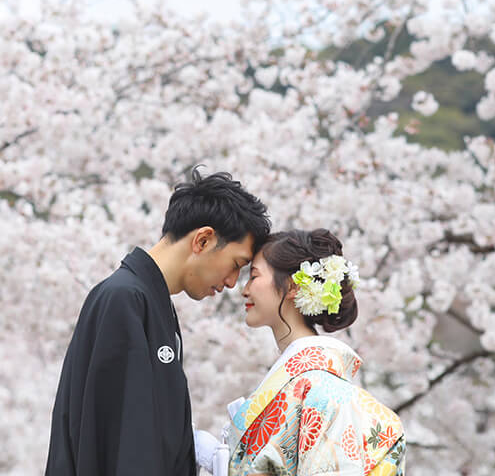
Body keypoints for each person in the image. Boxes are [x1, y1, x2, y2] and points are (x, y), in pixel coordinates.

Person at [45, 169, 271, 476]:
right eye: (236, 265)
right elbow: (126, 443)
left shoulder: (146, 300)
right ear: (203, 240)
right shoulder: (125, 298)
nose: (232, 283)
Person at [198, 229, 406, 476]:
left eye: (254, 276)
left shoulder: (322, 392)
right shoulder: (307, 384)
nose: (244, 289)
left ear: (293, 285)